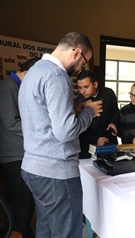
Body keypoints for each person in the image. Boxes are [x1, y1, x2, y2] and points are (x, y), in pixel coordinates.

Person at [18, 31, 103, 237]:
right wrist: (90, 112)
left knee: (46, 229)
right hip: (56, 171)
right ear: (76, 52)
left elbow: (41, 116)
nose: (82, 68)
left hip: (33, 166)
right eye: (84, 62)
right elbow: (66, 132)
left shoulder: (35, 70)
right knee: (66, 233)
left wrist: (74, 111)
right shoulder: (57, 75)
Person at [0, 57, 40, 238]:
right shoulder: (9, 87)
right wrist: (40, 127)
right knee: (20, 204)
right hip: (14, 157)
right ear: (28, 73)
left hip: (21, 155)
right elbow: (11, 123)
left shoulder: (16, 87)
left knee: (24, 205)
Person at [74, 70, 119, 158]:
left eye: (86, 87)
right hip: (88, 148)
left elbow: (115, 111)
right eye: (80, 88)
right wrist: (96, 140)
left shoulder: (108, 93)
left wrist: (114, 123)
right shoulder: (78, 102)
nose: (82, 91)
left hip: (109, 142)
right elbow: (78, 130)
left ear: (95, 84)